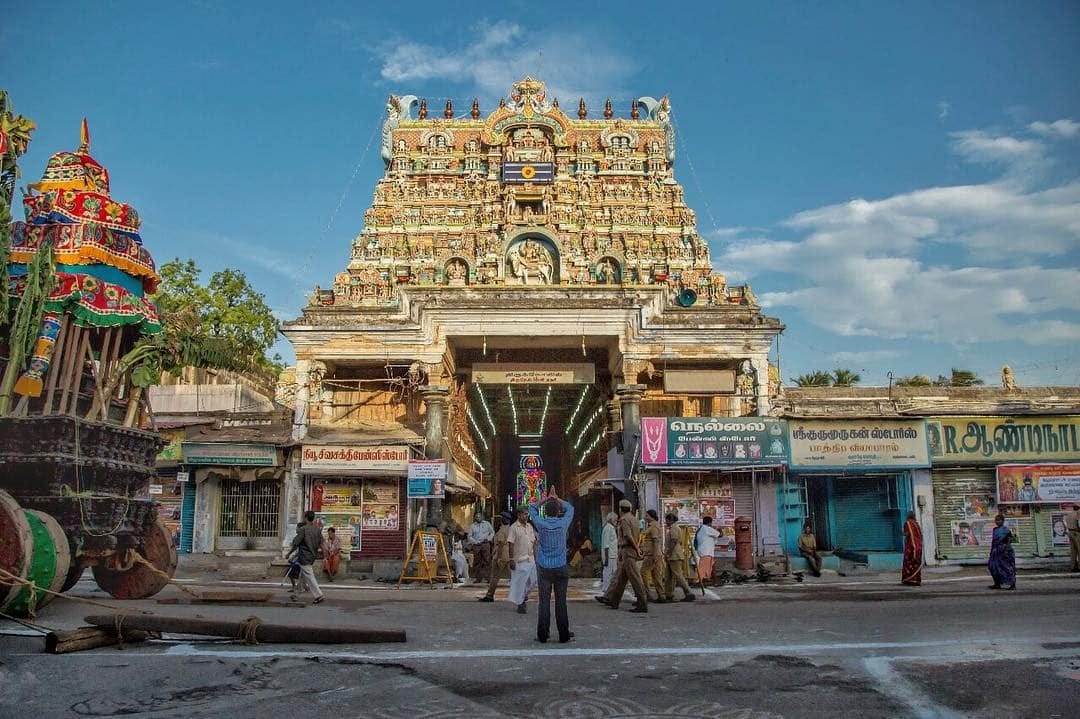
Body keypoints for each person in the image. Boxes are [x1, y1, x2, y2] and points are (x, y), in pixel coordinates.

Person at [528, 488, 575, 643]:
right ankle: (563, 634)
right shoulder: (563, 524)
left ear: (545, 512)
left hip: (544, 566)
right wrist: (557, 498)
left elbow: (531, 508)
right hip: (561, 566)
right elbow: (571, 508)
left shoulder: (540, 524)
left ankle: (542, 634)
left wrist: (546, 499)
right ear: (558, 511)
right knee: (561, 601)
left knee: (544, 602)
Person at [597, 499, 648, 613]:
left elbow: (628, 537)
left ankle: (642, 602)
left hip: (628, 550)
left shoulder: (624, 520)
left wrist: (636, 548)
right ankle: (613, 600)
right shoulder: (634, 519)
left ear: (621, 509)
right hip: (628, 551)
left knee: (635, 578)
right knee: (620, 578)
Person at [286, 511, 325, 604]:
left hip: (304, 556)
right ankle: (296, 594)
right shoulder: (317, 530)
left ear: (306, 518)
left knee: (310, 576)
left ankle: (319, 595)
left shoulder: (303, 529)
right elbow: (321, 542)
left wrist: (289, 553)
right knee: (302, 575)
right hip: (312, 556)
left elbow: (296, 543)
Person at [507, 507, 538, 613]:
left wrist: (537, 558)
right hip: (519, 560)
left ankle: (524, 596)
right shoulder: (513, 527)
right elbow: (510, 544)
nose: (526, 516)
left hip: (531, 559)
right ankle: (521, 604)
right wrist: (511, 559)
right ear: (519, 515)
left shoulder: (529, 526)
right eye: (524, 514)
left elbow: (534, 542)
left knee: (533, 581)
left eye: (527, 514)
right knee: (520, 583)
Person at [480, 511, 514, 601]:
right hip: (510, 555)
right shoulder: (511, 529)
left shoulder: (502, 530)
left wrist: (498, 557)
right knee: (513, 576)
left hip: (501, 555)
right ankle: (519, 594)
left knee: (495, 576)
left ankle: (490, 595)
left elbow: (501, 545)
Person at [663, 513, 696, 602]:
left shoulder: (674, 528)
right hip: (672, 555)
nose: (666, 522)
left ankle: (688, 592)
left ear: (671, 520)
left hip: (674, 555)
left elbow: (673, 542)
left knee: (678, 575)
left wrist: (668, 553)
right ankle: (669, 594)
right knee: (668, 576)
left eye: (667, 520)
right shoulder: (673, 528)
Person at [641, 509, 667, 603]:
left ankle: (647, 594)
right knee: (656, 575)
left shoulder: (653, 526)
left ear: (651, 516)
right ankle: (661, 595)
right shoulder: (654, 525)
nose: (645, 517)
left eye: (647, 516)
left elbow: (655, 541)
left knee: (643, 573)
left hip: (652, 554)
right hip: (654, 554)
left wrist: (655, 555)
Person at [987, 514, 1016, 590]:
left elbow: (1009, 540)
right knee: (992, 566)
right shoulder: (995, 530)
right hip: (995, 551)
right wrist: (991, 551)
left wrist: (1006, 551)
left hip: (1005, 550)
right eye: (996, 520)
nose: (997, 521)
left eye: (999, 520)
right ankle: (997, 583)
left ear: (1003, 521)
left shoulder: (1005, 530)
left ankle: (1012, 584)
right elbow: (993, 541)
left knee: (1007, 567)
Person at [468, 511, 495, 583]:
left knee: (487, 561)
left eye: (479, 517)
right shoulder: (472, 526)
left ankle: (488, 578)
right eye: (476, 517)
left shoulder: (487, 524)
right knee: (477, 562)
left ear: (482, 517)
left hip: (485, 544)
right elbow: (469, 536)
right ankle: (478, 578)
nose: (478, 518)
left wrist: (489, 539)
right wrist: (475, 541)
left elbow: (492, 532)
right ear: (475, 518)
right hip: (476, 545)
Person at [694, 516, 721, 586]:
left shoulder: (701, 529)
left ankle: (711, 580)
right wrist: (719, 529)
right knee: (703, 567)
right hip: (706, 551)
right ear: (710, 522)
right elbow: (720, 535)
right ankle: (698, 580)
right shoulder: (707, 529)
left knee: (711, 566)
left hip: (706, 551)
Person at [901, 511, 923, 586]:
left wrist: (902, 533)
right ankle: (916, 580)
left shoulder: (908, 523)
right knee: (916, 563)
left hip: (911, 546)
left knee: (908, 562)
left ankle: (909, 579)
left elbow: (907, 533)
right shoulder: (916, 524)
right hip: (918, 546)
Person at [600, 512, 618, 594]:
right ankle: (606, 589)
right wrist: (606, 558)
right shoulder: (608, 528)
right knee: (608, 573)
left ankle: (609, 590)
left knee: (612, 573)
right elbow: (606, 544)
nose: (616, 521)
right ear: (611, 519)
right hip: (609, 555)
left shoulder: (611, 528)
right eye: (615, 519)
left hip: (613, 555)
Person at [1065, 503, 1080, 572]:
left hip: (1070, 532)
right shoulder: (1078, 513)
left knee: (1073, 551)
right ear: (1078, 508)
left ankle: (1073, 567)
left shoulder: (1069, 514)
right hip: (1076, 533)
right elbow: (1078, 523)